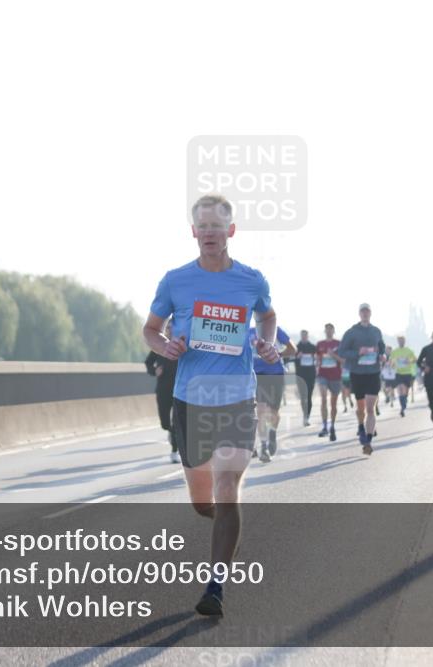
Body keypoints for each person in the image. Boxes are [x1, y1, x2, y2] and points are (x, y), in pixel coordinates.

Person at [143, 194, 280, 617]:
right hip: (190, 401)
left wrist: (267, 343)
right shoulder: (175, 281)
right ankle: (228, 527)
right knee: (205, 502)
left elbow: (268, 316)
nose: (210, 234)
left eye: (217, 228)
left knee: (227, 491)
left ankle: (215, 586)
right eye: (203, 227)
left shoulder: (251, 280)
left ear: (231, 232)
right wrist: (167, 345)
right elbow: (150, 329)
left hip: (238, 398)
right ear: (193, 232)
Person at [338, 303, 386, 455]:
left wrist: (382, 355)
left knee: (371, 408)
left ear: (370, 313)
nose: (365, 314)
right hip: (357, 374)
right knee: (361, 408)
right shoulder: (351, 332)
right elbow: (342, 352)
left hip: (373, 373)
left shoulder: (376, 331)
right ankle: (360, 425)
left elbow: (382, 346)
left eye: (367, 311)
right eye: (363, 311)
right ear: (359, 314)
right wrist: (358, 352)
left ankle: (368, 441)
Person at [250, 325, 296, 462]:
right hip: (257, 375)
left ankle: (272, 433)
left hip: (276, 373)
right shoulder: (248, 332)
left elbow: (293, 349)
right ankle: (264, 446)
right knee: (261, 409)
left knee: (274, 411)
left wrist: (277, 354)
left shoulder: (275, 330)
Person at [144, 321, 179, 462]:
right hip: (163, 390)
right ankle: (170, 431)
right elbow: (148, 363)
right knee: (165, 423)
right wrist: (154, 370)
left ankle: (175, 450)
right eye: (167, 328)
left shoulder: (181, 346)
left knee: (177, 422)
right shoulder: (159, 347)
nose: (169, 330)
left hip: (179, 390)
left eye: (172, 328)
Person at [315, 322, 342, 442]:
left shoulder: (339, 344)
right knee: (324, 398)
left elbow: (343, 361)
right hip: (323, 375)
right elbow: (317, 359)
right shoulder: (319, 344)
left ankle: (332, 426)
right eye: (327, 330)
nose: (329, 331)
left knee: (333, 404)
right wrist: (316, 366)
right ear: (325, 331)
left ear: (334, 331)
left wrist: (333, 355)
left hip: (336, 376)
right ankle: (325, 426)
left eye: (331, 329)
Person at [388, 335, 417, 418]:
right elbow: (391, 361)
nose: (401, 342)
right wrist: (392, 364)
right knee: (400, 388)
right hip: (398, 373)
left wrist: (409, 361)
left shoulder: (409, 350)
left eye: (402, 340)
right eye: (399, 341)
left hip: (407, 372)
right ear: (397, 342)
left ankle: (404, 401)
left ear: (404, 341)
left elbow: (415, 359)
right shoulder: (395, 351)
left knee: (405, 391)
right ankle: (402, 407)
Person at [294, 330, 317, 427]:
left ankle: (307, 416)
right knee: (303, 397)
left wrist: (315, 358)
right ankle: (305, 415)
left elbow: (318, 359)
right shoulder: (296, 347)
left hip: (311, 375)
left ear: (308, 336)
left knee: (309, 397)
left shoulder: (313, 347)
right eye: (302, 335)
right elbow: (290, 359)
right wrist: (297, 357)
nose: (304, 337)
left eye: (305, 335)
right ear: (300, 336)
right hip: (300, 375)